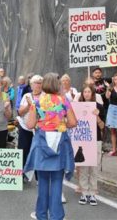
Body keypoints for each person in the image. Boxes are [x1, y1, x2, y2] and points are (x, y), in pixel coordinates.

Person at [24, 73, 77, 220]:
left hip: (42, 141)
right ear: (57, 84)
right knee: (57, 181)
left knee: (42, 181)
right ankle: (56, 216)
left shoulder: (37, 102)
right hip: (60, 140)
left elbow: (29, 124)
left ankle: (41, 215)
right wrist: (59, 123)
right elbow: (73, 122)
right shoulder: (64, 100)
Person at [76, 85, 105, 206]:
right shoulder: (77, 107)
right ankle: (84, 193)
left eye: (89, 92)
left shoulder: (99, 106)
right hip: (83, 140)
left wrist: (97, 116)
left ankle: (92, 193)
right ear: (82, 93)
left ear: (92, 94)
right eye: (85, 91)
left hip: (96, 139)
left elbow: (103, 126)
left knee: (94, 167)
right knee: (83, 167)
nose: (87, 94)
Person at [17, 74, 43, 181]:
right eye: (35, 83)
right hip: (25, 127)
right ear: (31, 85)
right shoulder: (26, 95)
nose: (38, 85)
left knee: (38, 151)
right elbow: (20, 112)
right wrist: (29, 105)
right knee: (23, 150)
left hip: (39, 129)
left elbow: (44, 114)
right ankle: (22, 173)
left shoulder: (45, 96)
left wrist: (36, 107)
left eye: (40, 83)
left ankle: (39, 176)